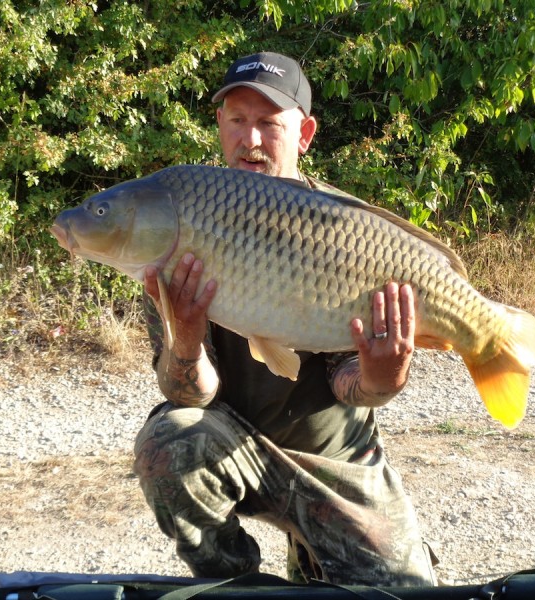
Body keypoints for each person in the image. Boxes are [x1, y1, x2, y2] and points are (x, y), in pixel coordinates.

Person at [133, 51, 436, 586]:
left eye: (269, 123)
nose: (250, 140)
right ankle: (238, 587)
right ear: (220, 126)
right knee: (169, 442)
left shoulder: (345, 232)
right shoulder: (175, 229)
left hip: (331, 462)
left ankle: (313, 554)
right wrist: (185, 340)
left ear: (305, 133)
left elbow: (349, 388)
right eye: (237, 120)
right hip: (230, 445)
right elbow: (190, 396)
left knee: (404, 593)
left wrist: (381, 376)